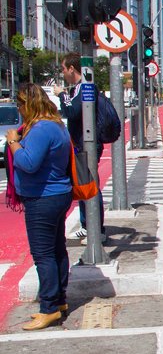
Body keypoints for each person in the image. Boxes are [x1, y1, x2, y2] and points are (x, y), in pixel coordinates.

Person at [5, 84, 73, 330]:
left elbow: (28, 163)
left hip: (43, 198)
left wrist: (13, 142)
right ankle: (59, 300)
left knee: (43, 254)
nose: (19, 110)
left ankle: (49, 308)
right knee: (56, 250)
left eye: (21, 105)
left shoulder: (41, 129)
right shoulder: (56, 125)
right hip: (57, 194)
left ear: (29, 105)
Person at [53, 52, 106, 244]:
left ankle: (96, 229)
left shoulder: (82, 88)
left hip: (88, 143)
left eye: (63, 69)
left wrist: (61, 95)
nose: (63, 73)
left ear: (71, 69)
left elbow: (72, 111)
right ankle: (87, 226)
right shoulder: (80, 88)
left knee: (90, 185)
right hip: (82, 142)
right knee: (83, 184)